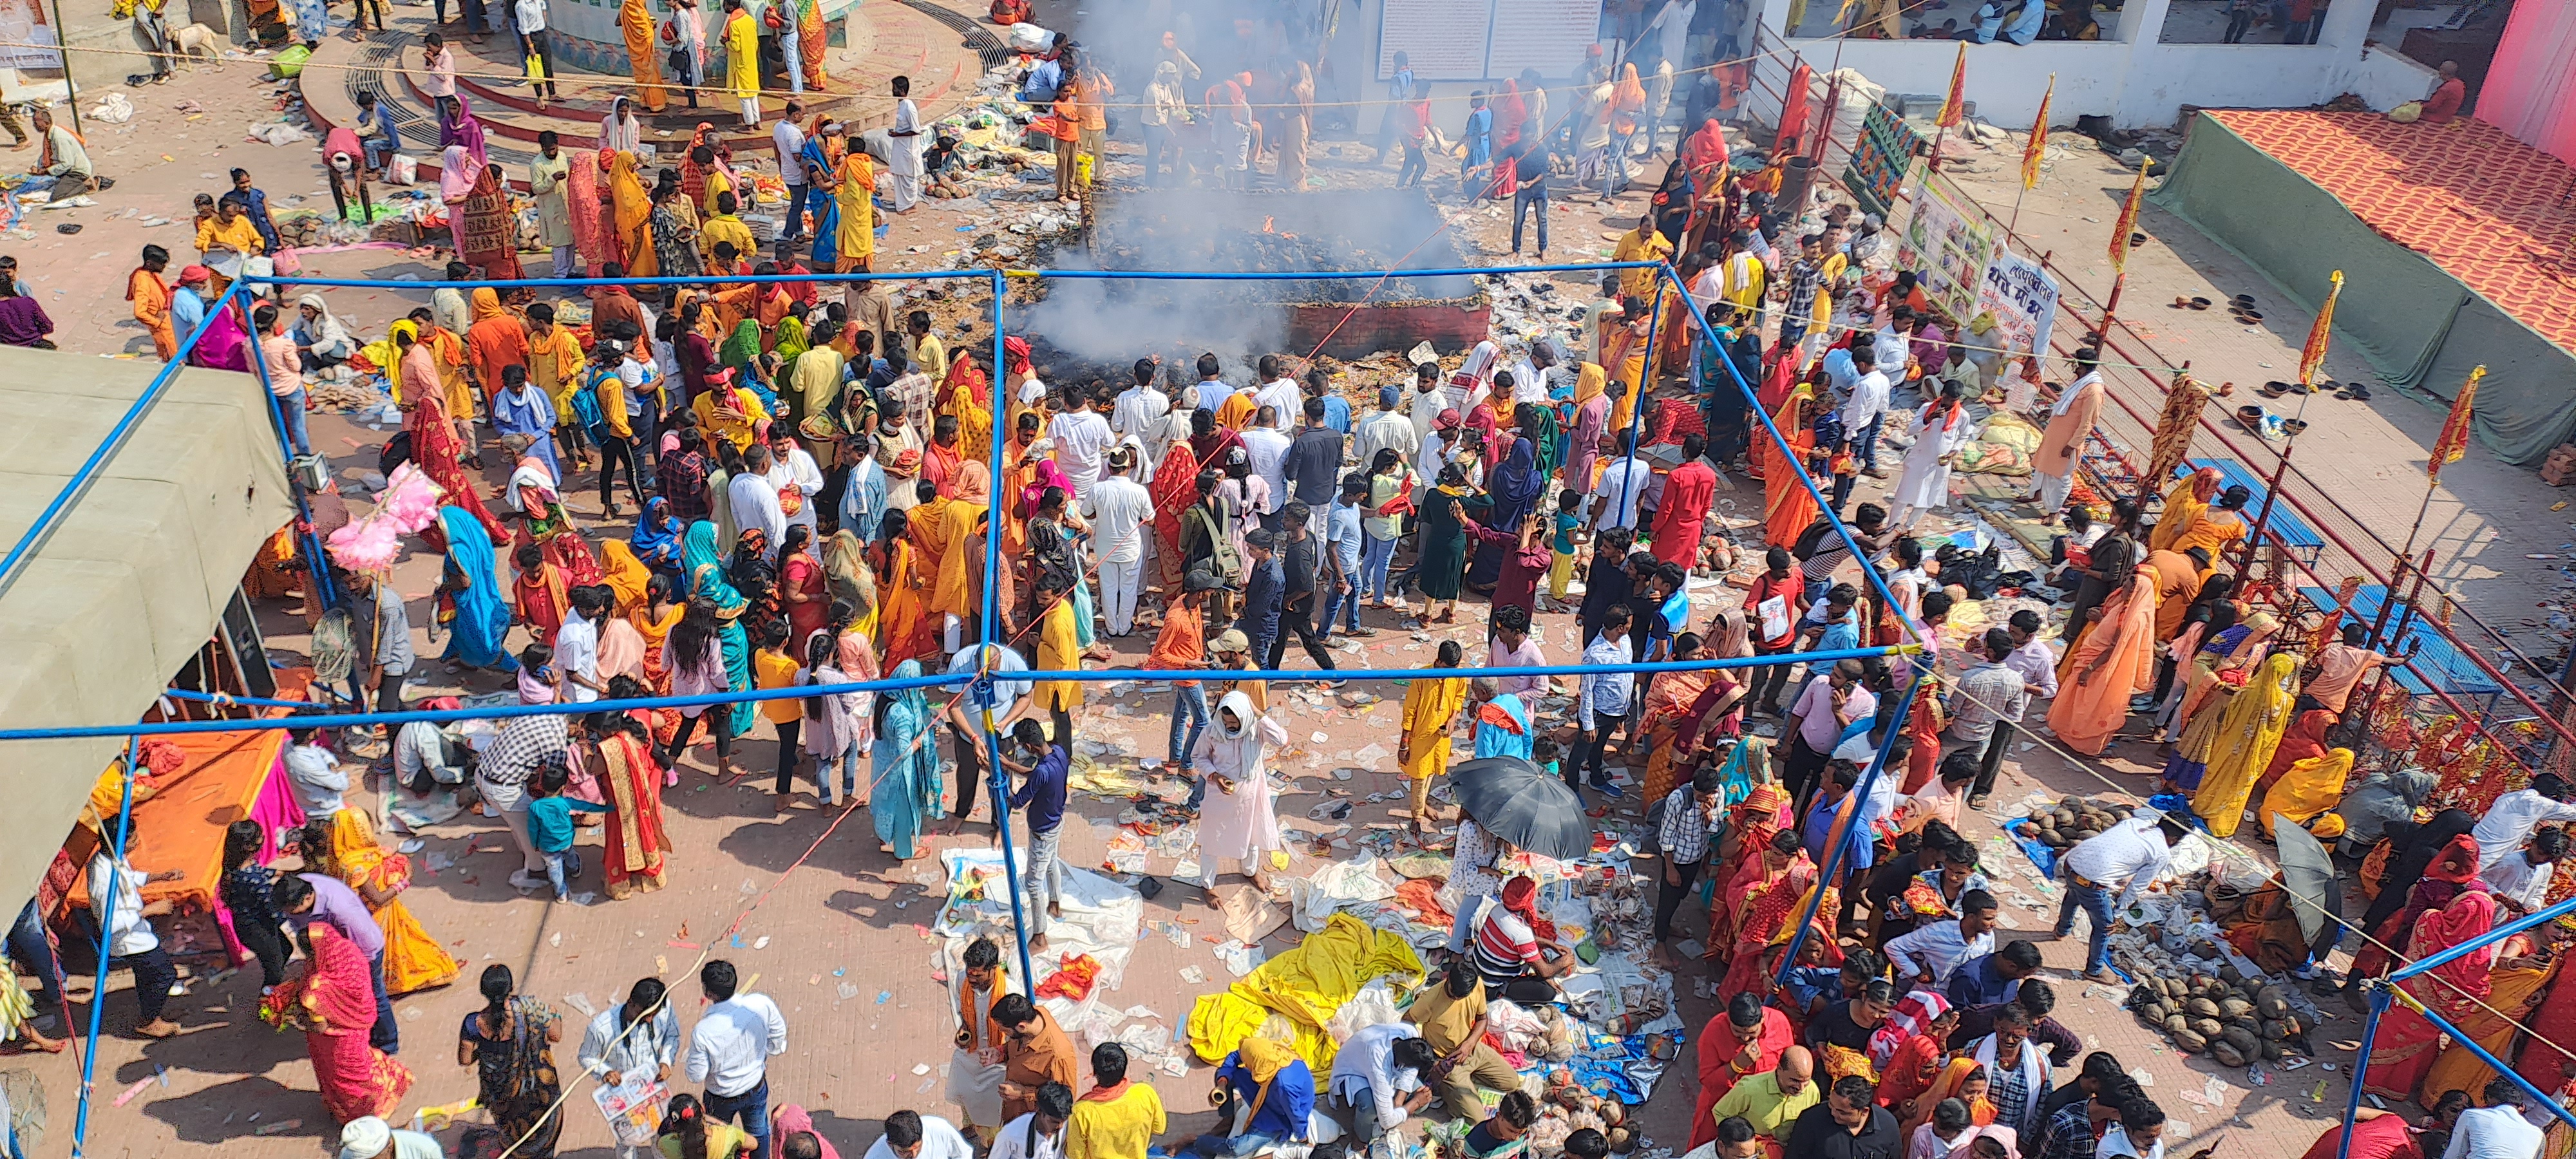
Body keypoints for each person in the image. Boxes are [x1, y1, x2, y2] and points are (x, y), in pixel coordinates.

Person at [456, 965, 564, 1154]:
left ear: (483, 992)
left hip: (501, 1097)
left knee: (513, 1133)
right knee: (544, 1130)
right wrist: (554, 1014)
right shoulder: (532, 1009)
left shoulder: (474, 1023)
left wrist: (485, 1053)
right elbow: (555, 1036)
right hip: (537, 1093)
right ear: (511, 989)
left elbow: (465, 1060)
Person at [1191, 690, 1287, 901]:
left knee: (1251, 835)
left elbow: (1281, 739)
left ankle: (1251, 872)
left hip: (1250, 796)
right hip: (1219, 797)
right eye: (1226, 722)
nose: (1230, 727)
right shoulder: (1212, 732)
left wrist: (1258, 713)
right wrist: (1215, 776)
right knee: (1211, 841)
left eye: (1234, 723)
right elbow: (1198, 756)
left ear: (1245, 717)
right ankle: (1207, 885)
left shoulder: (1256, 730)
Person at [90, 831, 185, 1038]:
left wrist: (161, 876)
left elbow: (129, 878)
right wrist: (152, 910)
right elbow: (111, 921)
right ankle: (148, 1020)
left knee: (146, 976)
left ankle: (152, 1015)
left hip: (137, 931)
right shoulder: (102, 877)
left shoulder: (114, 858)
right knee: (164, 974)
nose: (137, 841)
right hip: (127, 938)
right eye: (132, 837)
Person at [580, 979, 681, 1158]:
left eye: (654, 1015)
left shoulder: (664, 1010)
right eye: (645, 1014)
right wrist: (605, 1072)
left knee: (663, 1138)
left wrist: (666, 1061)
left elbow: (672, 1036)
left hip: (653, 1089)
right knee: (627, 1144)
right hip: (622, 1096)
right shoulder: (601, 1028)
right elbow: (586, 1057)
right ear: (631, 1004)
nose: (650, 1020)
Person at [1409, 963, 1519, 1122]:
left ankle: (1464, 1084)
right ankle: (1450, 1091)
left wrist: (1470, 1044)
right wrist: (1431, 1062)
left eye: (1463, 996)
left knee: (1512, 1083)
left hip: (1472, 1048)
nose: (1458, 999)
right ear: (1448, 981)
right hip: (1446, 1061)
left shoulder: (1477, 985)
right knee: (1477, 1119)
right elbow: (1406, 1025)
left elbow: (1482, 1019)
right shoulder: (1429, 1001)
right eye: (1455, 994)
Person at [998, 720, 1069, 948]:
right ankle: (1055, 904)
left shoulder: (1041, 772)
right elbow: (1037, 774)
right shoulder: (1058, 753)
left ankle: (1040, 936)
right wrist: (1010, 765)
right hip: (1057, 821)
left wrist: (1000, 786)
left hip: (1042, 832)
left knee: (1033, 883)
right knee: (1051, 864)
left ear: (1028, 747)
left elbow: (1018, 802)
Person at [1193, 1032, 1314, 1157]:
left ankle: (1198, 1141)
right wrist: (1222, 1084)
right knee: (1225, 1073)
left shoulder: (1285, 1085)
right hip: (1268, 1092)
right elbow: (1234, 1057)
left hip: (1280, 1116)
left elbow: (1295, 1114)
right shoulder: (1269, 1055)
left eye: (1249, 1064)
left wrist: (1301, 1136)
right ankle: (1228, 1119)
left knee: (1237, 1150)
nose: (1248, 1065)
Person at [1328, 1021, 1435, 1151]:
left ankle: (1394, 1110)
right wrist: (1415, 1102)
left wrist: (1399, 1100)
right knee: (1371, 1108)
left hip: (1379, 1069)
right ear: (1403, 1063)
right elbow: (1387, 1122)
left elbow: (1411, 1070)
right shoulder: (1378, 1060)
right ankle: (1360, 1136)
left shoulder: (1410, 1033)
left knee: (1424, 1097)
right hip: (1353, 1073)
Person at [873, 660, 942, 860]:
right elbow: (904, 751)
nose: (921, 687)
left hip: (883, 759)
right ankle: (904, 851)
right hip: (900, 772)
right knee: (903, 812)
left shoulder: (886, 694)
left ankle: (885, 836)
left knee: (884, 803)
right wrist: (919, 743)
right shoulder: (902, 715)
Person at [2025, 352, 2105, 518]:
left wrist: (2072, 445)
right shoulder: (2079, 382)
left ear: (2082, 367)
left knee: (2060, 475)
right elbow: (2066, 404)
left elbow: (2088, 422)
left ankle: (2054, 511)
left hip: (2067, 441)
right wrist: (2052, 412)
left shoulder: (2094, 391)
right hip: (2056, 435)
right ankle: (2037, 494)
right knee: (2044, 467)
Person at [1086, 448, 1155, 637]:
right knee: (1128, 590)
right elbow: (1150, 520)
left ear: (1109, 467)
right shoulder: (1139, 491)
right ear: (1128, 466)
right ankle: (1124, 628)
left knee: (1108, 589)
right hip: (1130, 550)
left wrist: (1101, 515)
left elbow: (1086, 513)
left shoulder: (1097, 488)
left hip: (1105, 548)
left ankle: (1112, 627)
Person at [1713, 1048, 1824, 1153]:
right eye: (1794, 1080)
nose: (1801, 1088)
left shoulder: (1812, 1091)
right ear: (1780, 1069)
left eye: (1806, 1081)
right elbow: (1721, 1113)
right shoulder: (1748, 1089)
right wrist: (1742, 1144)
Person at [1576, 607, 1636, 802]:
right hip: (1597, 713)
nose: (1630, 627)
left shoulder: (1625, 641)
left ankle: (1597, 778)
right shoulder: (1595, 654)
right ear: (1620, 627)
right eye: (1628, 624)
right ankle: (1571, 787)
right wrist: (1589, 723)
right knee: (1580, 752)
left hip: (1616, 710)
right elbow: (1586, 690)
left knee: (1599, 746)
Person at [1066, 1042, 1164, 1159]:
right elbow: (1160, 1128)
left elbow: (1075, 1155)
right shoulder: (1146, 1093)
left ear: (1095, 1072)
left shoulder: (1081, 1111)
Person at [994, 992, 1077, 1126]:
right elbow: (1015, 1046)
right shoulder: (1035, 1015)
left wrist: (1023, 1094)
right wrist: (1000, 1053)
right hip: (1012, 1114)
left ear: (1021, 1027)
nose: (1005, 1034)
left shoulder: (1059, 1055)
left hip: (1034, 1124)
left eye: (1006, 1032)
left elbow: (1063, 1101)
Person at [992, 1082, 1073, 1159]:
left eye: (1064, 1121)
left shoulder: (1068, 1126)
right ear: (1040, 1112)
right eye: (1055, 1122)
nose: (1060, 1127)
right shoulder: (1011, 1134)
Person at [867, 1109, 976, 1159]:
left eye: (918, 1147)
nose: (914, 1156)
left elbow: (963, 1153)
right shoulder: (875, 1156)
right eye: (904, 1152)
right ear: (890, 1144)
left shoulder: (940, 1129)